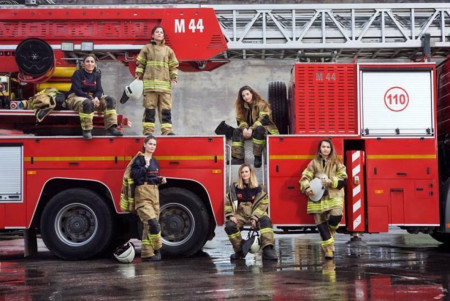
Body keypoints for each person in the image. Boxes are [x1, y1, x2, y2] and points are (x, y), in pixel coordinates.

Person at [299, 138, 347, 260]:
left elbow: (343, 179)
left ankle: (330, 235)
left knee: (335, 217)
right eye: (323, 147)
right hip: (316, 199)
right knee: (321, 226)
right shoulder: (313, 163)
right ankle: (329, 251)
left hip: (334, 196)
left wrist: (330, 181)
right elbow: (305, 177)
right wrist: (307, 188)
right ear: (319, 149)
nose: (326, 149)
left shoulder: (337, 163)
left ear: (331, 149)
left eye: (328, 147)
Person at [224, 163, 277, 261]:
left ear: (250, 173)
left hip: (255, 211)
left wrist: (255, 217)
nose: (244, 174)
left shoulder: (258, 188)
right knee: (230, 226)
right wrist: (231, 215)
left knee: (266, 220)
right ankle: (239, 251)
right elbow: (228, 203)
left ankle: (267, 250)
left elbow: (263, 204)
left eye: (246, 171)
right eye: (242, 172)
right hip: (240, 213)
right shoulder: (234, 188)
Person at [66, 53, 123, 140]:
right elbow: (77, 90)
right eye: (87, 61)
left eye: (92, 61)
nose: (90, 63)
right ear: (83, 64)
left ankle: (111, 127)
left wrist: (96, 98)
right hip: (76, 96)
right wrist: (90, 99)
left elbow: (99, 90)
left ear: (95, 64)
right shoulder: (78, 73)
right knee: (87, 103)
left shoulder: (97, 74)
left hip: (93, 97)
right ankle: (87, 130)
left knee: (110, 100)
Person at [135, 25, 179, 136]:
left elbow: (173, 66)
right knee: (149, 110)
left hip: (164, 87)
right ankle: (148, 132)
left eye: (161, 32)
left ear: (163, 36)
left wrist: (174, 78)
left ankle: (167, 131)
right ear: (153, 35)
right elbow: (141, 63)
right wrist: (139, 75)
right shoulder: (147, 48)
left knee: (166, 110)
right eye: (157, 32)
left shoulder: (168, 50)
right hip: (150, 86)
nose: (159, 34)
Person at [130, 134, 167, 261]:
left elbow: (153, 177)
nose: (152, 146)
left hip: (154, 193)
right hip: (142, 193)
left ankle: (147, 254)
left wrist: (160, 179)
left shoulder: (155, 161)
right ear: (145, 145)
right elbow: (134, 175)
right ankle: (157, 248)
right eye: (150, 144)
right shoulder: (139, 159)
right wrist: (145, 166)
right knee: (153, 224)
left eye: (154, 144)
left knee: (147, 226)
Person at [231, 85, 279, 168]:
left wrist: (251, 129)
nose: (246, 97)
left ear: (252, 94)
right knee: (236, 131)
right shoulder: (241, 107)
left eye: (247, 94)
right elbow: (240, 121)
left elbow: (264, 119)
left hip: (266, 130)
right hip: (251, 130)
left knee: (259, 130)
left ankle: (257, 157)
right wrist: (244, 129)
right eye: (243, 96)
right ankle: (238, 158)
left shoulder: (262, 104)